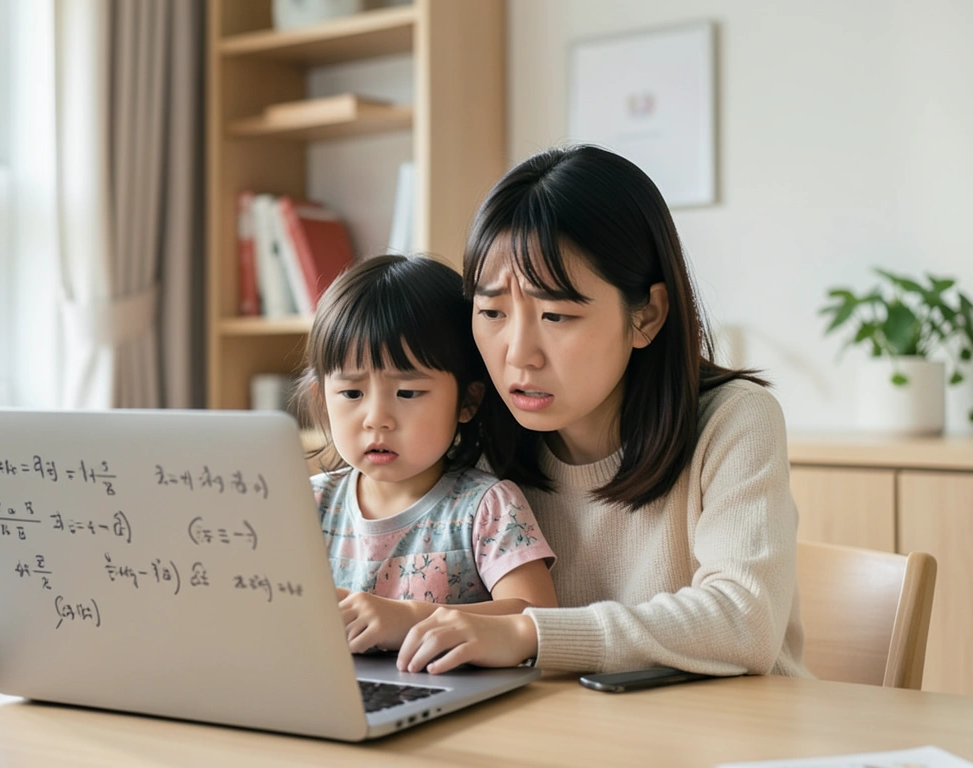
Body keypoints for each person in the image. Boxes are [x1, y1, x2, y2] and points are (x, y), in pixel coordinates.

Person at [394, 145, 810, 678]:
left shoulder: (735, 423)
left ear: (647, 315)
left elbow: (743, 622)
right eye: (492, 311)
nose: (518, 353)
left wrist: (526, 632)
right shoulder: (474, 441)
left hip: (732, 739)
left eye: (557, 315)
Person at [296, 254, 558, 655]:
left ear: (467, 402)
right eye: (351, 393)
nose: (376, 419)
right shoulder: (305, 503)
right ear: (322, 399)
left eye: (407, 393)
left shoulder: (484, 508)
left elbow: (538, 616)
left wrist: (407, 619)